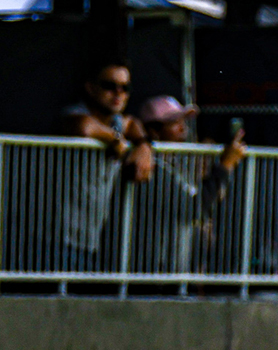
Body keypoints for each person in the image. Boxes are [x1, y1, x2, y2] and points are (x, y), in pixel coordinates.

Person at [60, 59, 154, 270]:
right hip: (53, 240)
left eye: (125, 87)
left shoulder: (117, 122)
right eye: (110, 86)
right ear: (90, 88)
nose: (118, 93)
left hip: (87, 241)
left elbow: (132, 123)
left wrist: (144, 145)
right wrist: (113, 139)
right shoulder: (73, 114)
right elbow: (83, 126)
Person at [138, 95, 248, 273]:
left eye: (184, 121)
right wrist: (224, 166)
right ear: (154, 131)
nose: (184, 129)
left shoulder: (177, 166)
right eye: (174, 123)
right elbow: (193, 210)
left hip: (173, 272)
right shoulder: (151, 168)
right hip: (154, 274)